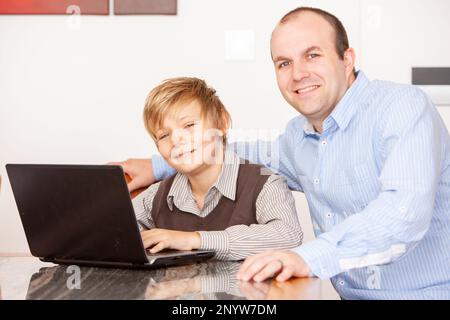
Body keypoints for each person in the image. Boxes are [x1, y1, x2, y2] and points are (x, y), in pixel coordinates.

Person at [113, 7, 450, 299]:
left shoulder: (402, 108)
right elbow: (240, 149)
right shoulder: (298, 139)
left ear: (347, 59)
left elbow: (403, 211)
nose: (298, 73)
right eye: (284, 62)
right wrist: (158, 163)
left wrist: (308, 257)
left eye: (312, 55)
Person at [126, 77, 302, 261]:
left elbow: (288, 236)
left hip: (246, 289)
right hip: (178, 289)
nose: (176, 140)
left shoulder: (265, 183)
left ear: (222, 122)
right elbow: (114, 231)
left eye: (189, 125)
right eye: (163, 135)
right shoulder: (156, 196)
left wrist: (195, 240)